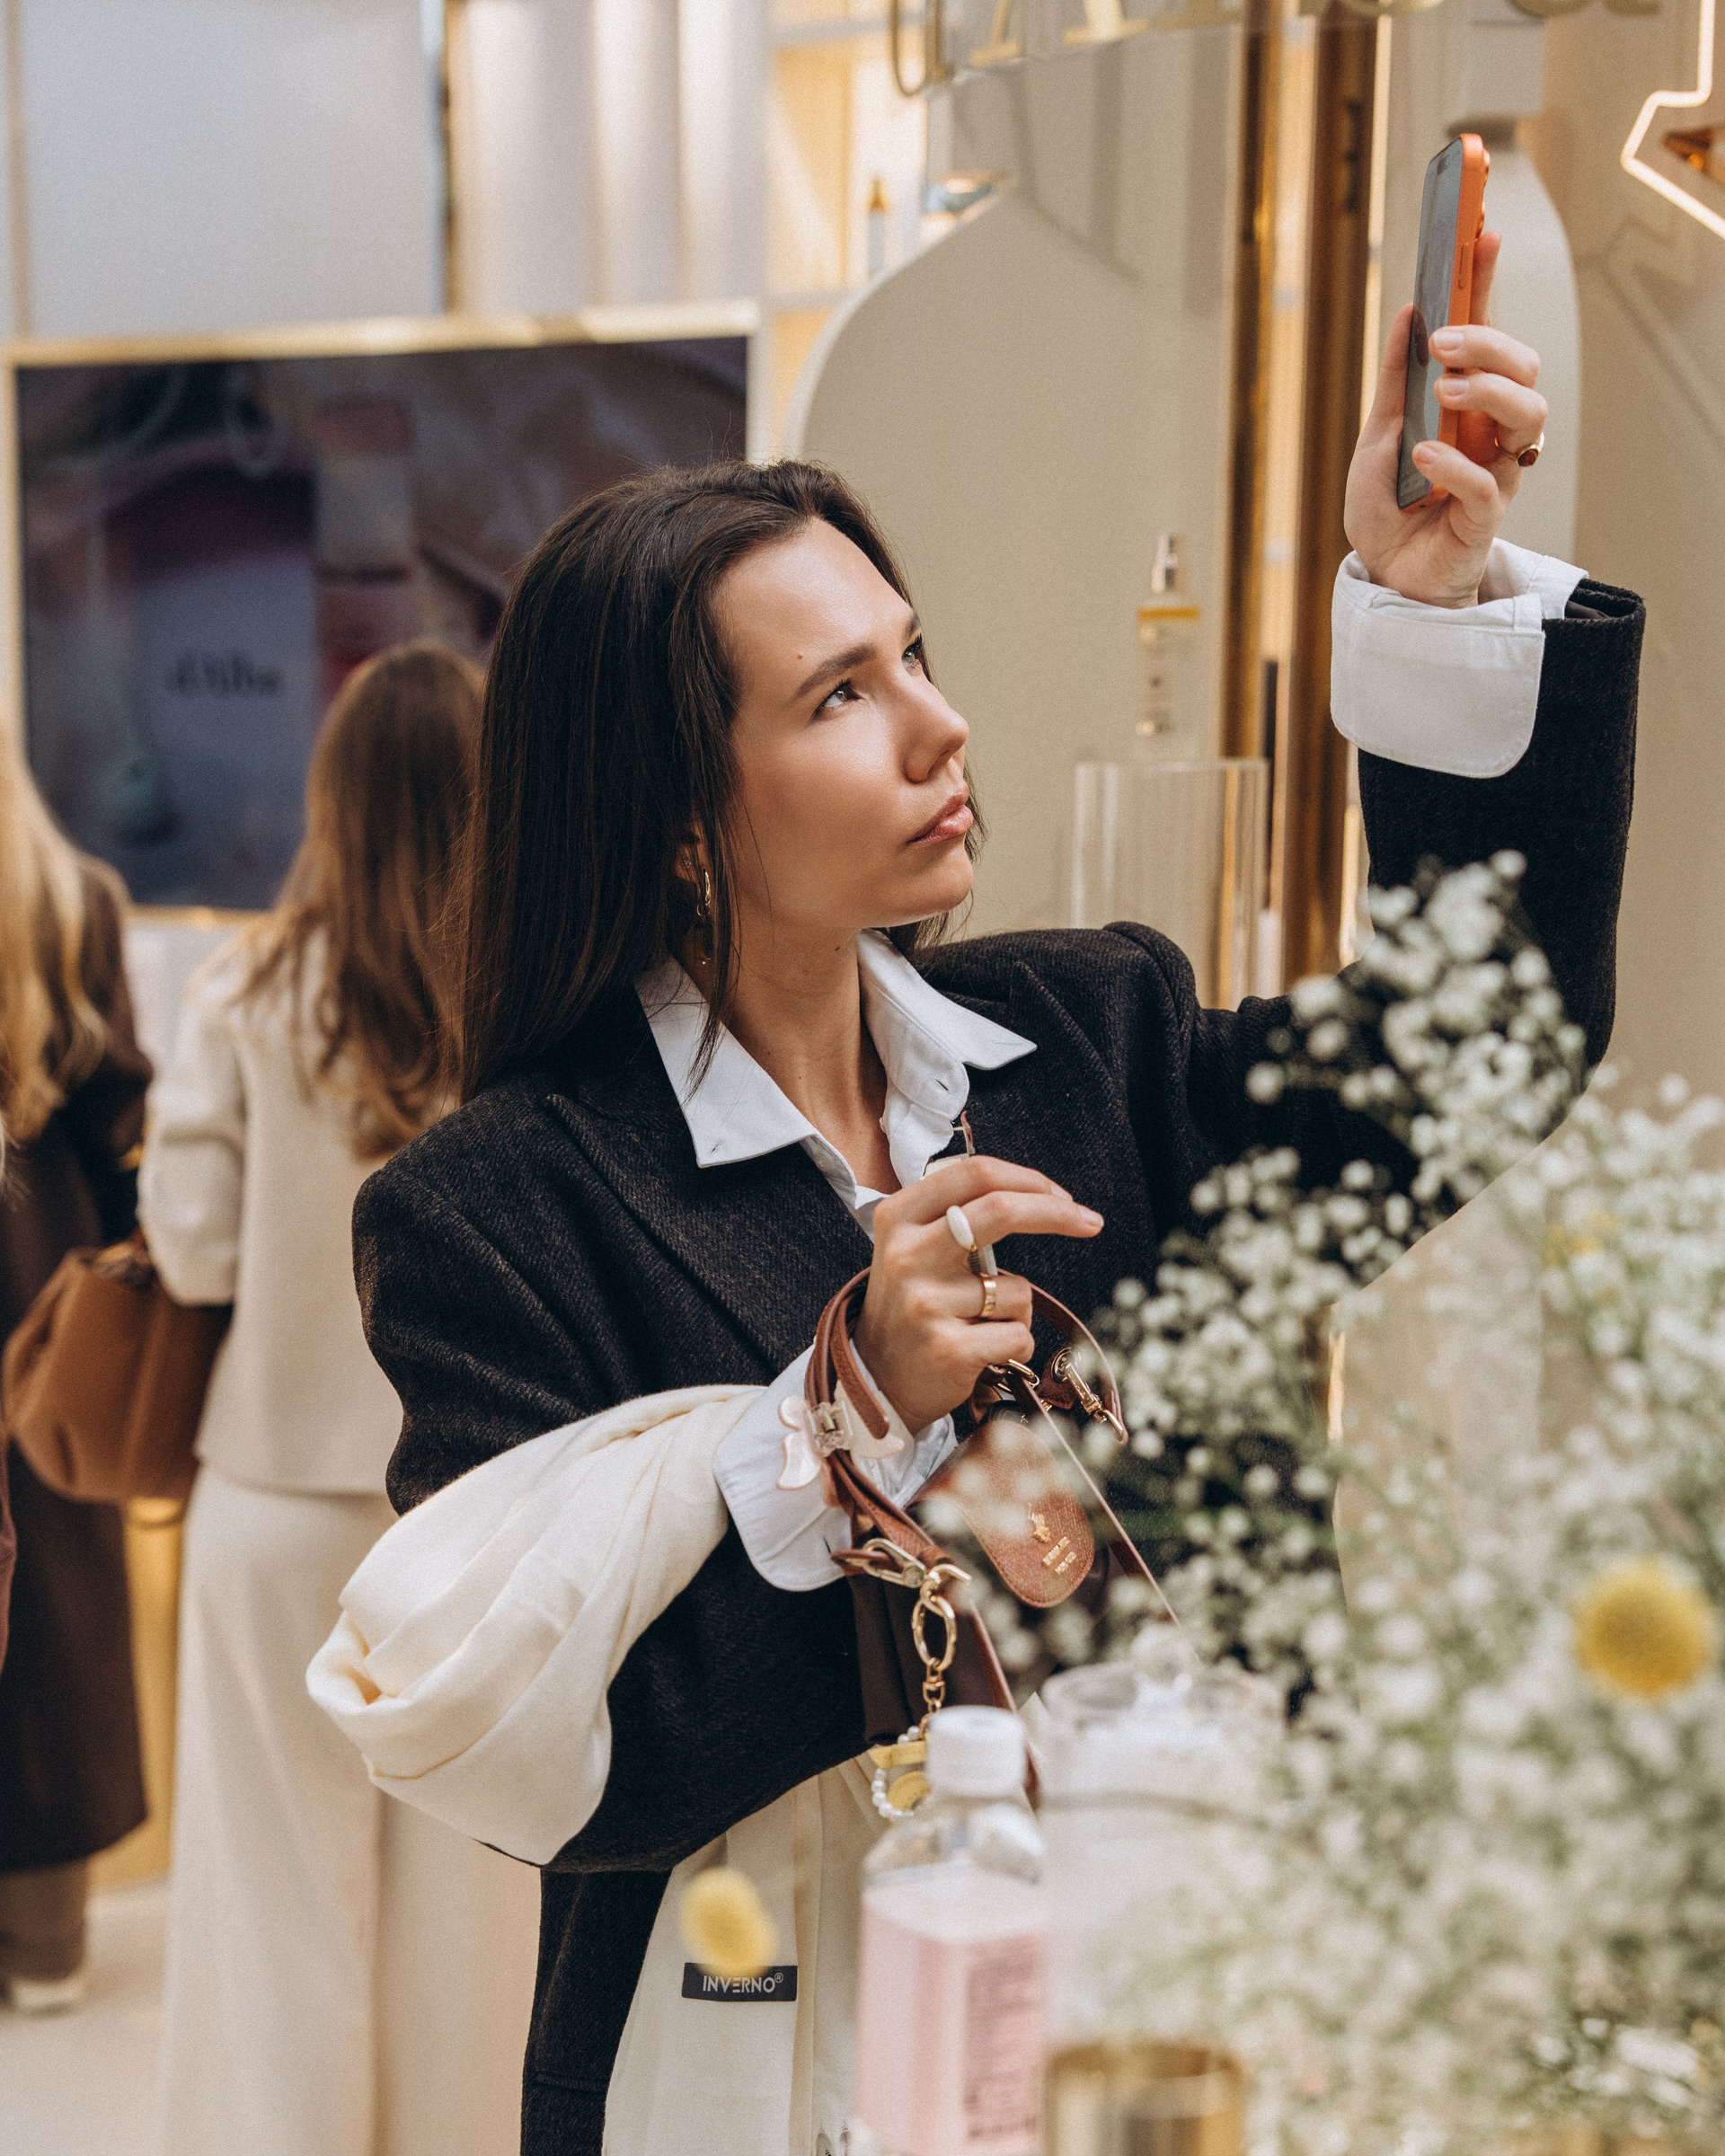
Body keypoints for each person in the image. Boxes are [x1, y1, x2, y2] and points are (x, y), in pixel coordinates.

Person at [352, 282, 1642, 2156]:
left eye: (914, 655)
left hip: (1184, 2029)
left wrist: (1428, 605)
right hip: (760, 2076)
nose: (941, 725)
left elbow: (1484, 1046)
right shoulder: (494, 1213)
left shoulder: (1093, 1037)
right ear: (679, 820)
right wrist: (851, 1415)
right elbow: (587, 1769)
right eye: (841, 696)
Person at [140, 644, 539, 2156]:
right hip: (476, 1504)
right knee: (472, 1899)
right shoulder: (524, 995)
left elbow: (189, 1251)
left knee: (272, 1889)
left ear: (332, 797)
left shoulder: (246, 990)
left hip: (271, 1496)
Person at [0, 735, 150, 2013]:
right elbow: (120, 1123)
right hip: (41, 1272)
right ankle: (43, 1940)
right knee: (55, 1591)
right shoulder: (75, 899)